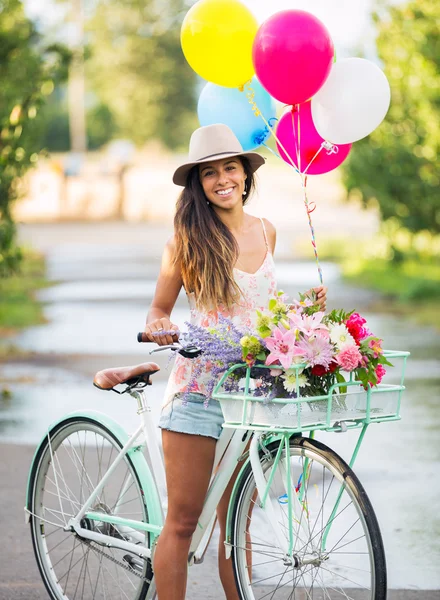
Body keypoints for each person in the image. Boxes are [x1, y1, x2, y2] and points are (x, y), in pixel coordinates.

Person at [143, 123, 327, 599]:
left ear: (246, 175)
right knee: (182, 524)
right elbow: (159, 308)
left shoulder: (267, 230)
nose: (222, 179)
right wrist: (161, 324)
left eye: (231, 168)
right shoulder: (185, 242)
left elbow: (264, 311)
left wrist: (305, 313)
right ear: (198, 184)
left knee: (234, 527)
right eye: (210, 173)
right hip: (199, 393)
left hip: (251, 394)